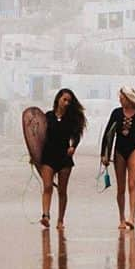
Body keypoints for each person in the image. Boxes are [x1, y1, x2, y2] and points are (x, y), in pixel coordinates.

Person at [100, 86, 135, 230]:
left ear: (129, 98)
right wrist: (103, 154)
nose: (120, 100)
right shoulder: (116, 113)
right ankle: (122, 218)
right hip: (119, 151)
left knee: (132, 185)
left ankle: (132, 218)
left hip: (134, 150)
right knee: (121, 188)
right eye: (120, 98)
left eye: (122, 98)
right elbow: (107, 134)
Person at [38, 88, 86, 230]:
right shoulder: (48, 116)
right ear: (58, 99)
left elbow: (76, 136)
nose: (66, 103)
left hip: (64, 157)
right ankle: (45, 216)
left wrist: (73, 147)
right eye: (64, 99)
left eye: (69, 101)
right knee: (47, 186)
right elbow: (38, 137)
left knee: (62, 190)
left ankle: (60, 220)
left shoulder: (71, 119)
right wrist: (35, 155)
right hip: (48, 155)